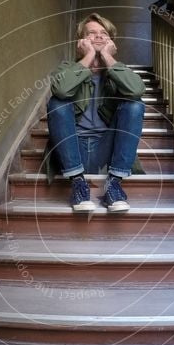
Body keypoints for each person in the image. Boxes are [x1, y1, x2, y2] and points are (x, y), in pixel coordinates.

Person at [46, 13, 146, 212]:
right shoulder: (67, 69)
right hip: (74, 146)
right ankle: (78, 183)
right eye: (91, 33)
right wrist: (89, 56)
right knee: (57, 103)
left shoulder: (118, 71)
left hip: (105, 147)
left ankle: (114, 184)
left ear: (111, 42)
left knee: (135, 105)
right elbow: (62, 90)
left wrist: (108, 57)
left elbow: (136, 91)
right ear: (82, 40)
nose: (98, 36)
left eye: (104, 34)